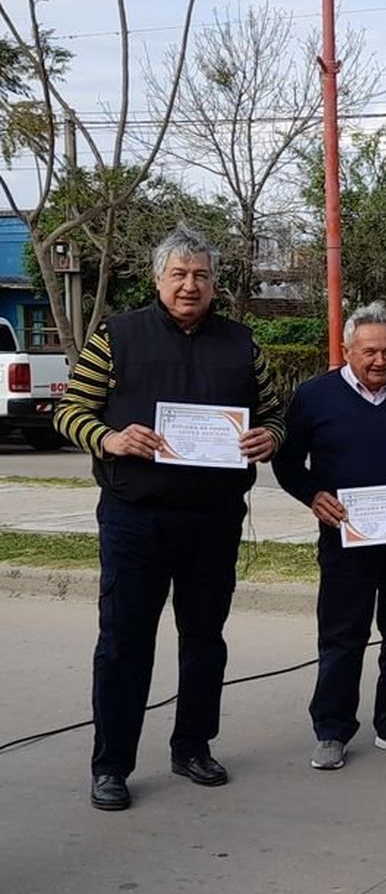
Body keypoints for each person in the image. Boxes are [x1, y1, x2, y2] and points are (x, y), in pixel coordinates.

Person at [52, 225, 284, 812]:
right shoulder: (116, 336)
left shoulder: (241, 342)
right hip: (136, 518)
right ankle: (111, 765)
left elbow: (276, 414)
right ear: (159, 279)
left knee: (204, 640)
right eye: (178, 274)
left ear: (213, 284)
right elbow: (70, 411)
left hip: (213, 519)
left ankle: (193, 746)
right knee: (125, 643)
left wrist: (269, 438)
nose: (190, 285)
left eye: (201, 275)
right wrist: (110, 438)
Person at [272, 303, 386, 771]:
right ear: (347, 350)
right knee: (341, 635)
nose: (379, 361)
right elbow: (287, 464)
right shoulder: (315, 396)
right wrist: (314, 496)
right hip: (345, 538)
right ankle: (331, 729)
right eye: (369, 351)